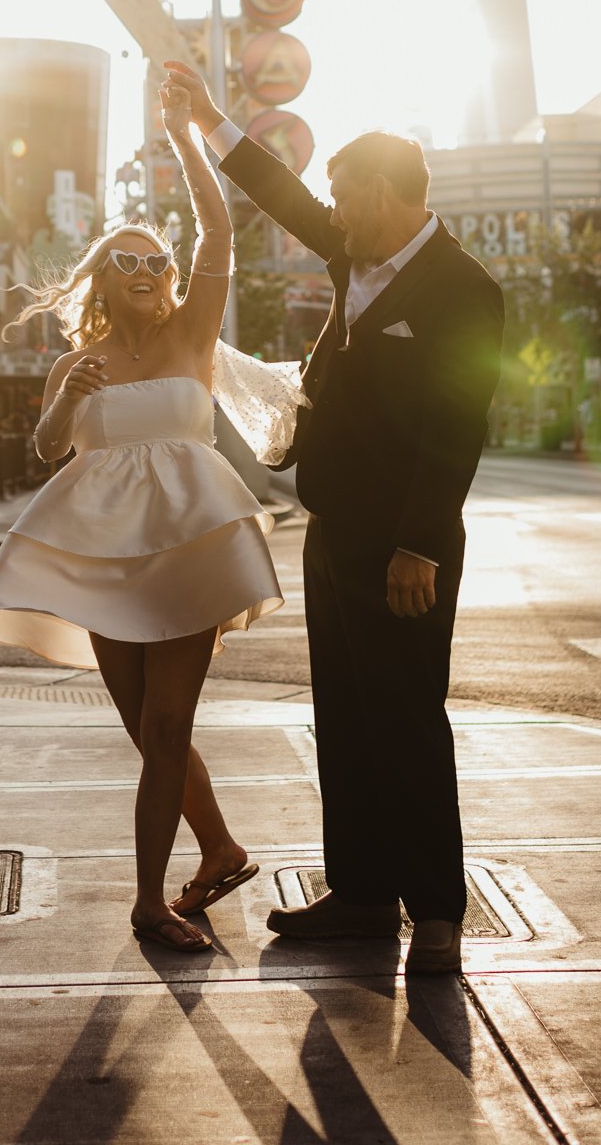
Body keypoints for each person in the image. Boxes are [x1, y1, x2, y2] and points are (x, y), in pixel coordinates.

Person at [163, 60, 505, 976]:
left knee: (407, 718)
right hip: (333, 529)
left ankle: (434, 909)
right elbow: (278, 194)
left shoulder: (462, 289)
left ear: (387, 194)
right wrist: (207, 121)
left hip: (405, 545)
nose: (334, 210)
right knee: (344, 715)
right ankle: (360, 895)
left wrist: (417, 545)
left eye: (347, 195)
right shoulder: (351, 251)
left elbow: (453, 432)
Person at [0, 81, 282, 953]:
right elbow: (43, 452)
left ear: (172, 279)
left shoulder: (193, 333)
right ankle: (217, 846)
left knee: (167, 728)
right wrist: (60, 400)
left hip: (190, 548)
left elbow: (219, 231)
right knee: (147, 735)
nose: (145, 271)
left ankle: (150, 901)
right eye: (126, 261)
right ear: (101, 280)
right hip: (106, 558)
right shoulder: (80, 360)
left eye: (155, 261)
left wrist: (184, 133)